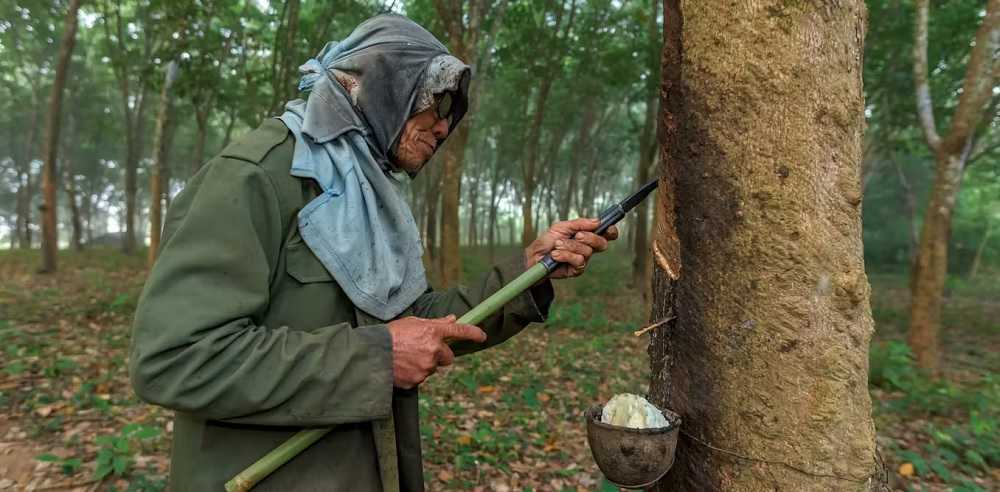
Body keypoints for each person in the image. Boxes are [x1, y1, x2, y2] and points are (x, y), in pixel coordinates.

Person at [129, 14, 618, 491]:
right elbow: (175, 357)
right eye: (434, 105)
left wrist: (530, 270)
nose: (444, 129)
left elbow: (411, 322)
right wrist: (376, 358)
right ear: (383, 85)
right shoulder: (255, 176)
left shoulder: (368, 192)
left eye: (450, 113)